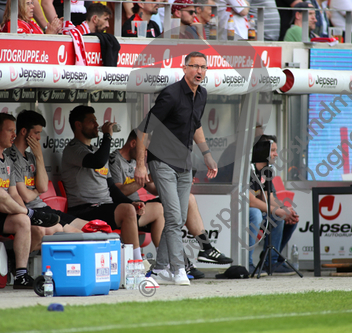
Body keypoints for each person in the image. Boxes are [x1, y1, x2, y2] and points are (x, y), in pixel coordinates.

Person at [135, 51, 218, 286]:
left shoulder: (201, 95)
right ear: (184, 68)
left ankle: (160, 268)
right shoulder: (170, 95)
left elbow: (196, 125)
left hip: (185, 163)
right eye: (194, 66)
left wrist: (207, 155)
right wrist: (141, 165)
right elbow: (144, 129)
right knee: (172, 217)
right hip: (161, 161)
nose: (199, 71)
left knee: (179, 217)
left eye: (203, 67)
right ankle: (178, 268)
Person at [109, 131, 232, 278]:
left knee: (187, 199)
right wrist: (148, 176)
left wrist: (176, 183)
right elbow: (119, 191)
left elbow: (153, 189)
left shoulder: (138, 161)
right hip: (125, 207)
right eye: (145, 149)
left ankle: (206, 248)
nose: (146, 153)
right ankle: (178, 262)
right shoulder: (114, 159)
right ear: (134, 144)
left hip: (141, 206)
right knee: (163, 209)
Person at [61, 106, 151, 262]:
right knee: (128, 210)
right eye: (91, 121)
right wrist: (107, 136)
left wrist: (132, 203)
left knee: (157, 208)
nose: (97, 125)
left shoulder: (96, 150)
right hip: (85, 209)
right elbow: (97, 162)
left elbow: (111, 188)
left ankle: (169, 263)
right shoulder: (72, 149)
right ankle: (135, 263)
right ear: (78, 125)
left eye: (96, 121)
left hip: (104, 206)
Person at [0, 113, 60, 289]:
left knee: (24, 221)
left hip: (5, 211)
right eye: (9, 131)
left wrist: (25, 215)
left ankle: (21, 276)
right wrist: (27, 212)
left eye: (15, 131)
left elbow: (14, 194)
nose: (14, 135)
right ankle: (29, 214)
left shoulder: (6, 159)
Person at [7, 110, 89, 236]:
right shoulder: (12, 156)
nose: (39, 138)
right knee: (78, 234)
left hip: (44, 207)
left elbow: (44, 187)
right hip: (33, 210)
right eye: (36, 133)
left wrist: (39, 156)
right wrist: (37, 191)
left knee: (90, 227)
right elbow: (26, 196)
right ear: (23, 131)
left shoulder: (32, 156)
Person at [248, 135, 299, 274]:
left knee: (285, 218)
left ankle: (270, 262)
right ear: (262, 151)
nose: (276, 154)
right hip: (237, 212)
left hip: (254, 209)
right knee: (257, 213)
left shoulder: (267, 170)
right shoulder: (248, 169)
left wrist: (284, 210)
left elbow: (269, 197)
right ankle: (247, 264)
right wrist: (277, 211)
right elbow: (250, 200)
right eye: (273, 150)